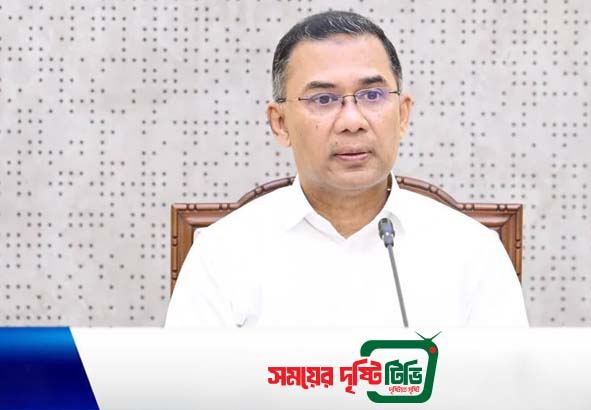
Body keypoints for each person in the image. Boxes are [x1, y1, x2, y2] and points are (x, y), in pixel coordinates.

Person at [165, 11, 528, 327]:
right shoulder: (223, 253)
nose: (352, 121)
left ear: (402, 114)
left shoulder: (471, 251)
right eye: (323, 99)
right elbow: (191, 383)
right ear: (280, 123)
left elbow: (506, 382)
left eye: (372, 96)